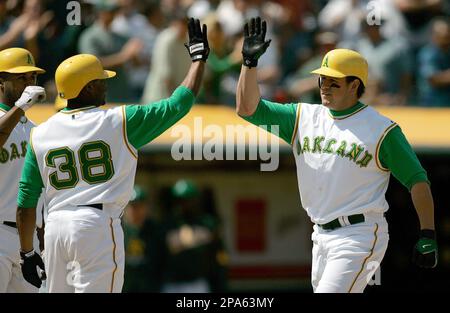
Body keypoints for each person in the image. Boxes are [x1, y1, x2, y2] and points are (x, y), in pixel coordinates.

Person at [236, 17, 437, 293]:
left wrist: (428, 232)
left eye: (334, 82)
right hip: (320, 235)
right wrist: (249, 65)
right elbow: (247, 109)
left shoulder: (381, 129)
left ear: (354, 86)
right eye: (322, 80)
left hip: (359, 233)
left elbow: (418, 181)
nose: (324, 87)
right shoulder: (303, 116)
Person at [15, 17, 209, 293]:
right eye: (100, 81)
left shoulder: (41, 132)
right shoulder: (120, 120)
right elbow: (179, 103)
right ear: (88, 88)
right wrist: (198, 60)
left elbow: (25, 201)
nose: (106, 85)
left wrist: (27, 253)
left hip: (56, 228)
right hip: (96, 225)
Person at [0, 47, 46, 292]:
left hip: (28, 240)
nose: (29, 84)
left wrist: (42, 241)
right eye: (21, 78)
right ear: (1, 81)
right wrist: (20, 107)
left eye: (33, 77)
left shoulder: (36, 130)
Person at [154, 180, 227, 293]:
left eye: (189, 200)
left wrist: (220, 279)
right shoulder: (166, 225)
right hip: (172, 284)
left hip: (197, 282)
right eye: (181, 200)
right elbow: (157, 258)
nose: (185, 204)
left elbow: (219, 254)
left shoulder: (207, 223)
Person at [122, 185, 160, 292]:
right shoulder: (117, 230)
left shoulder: (155, 230)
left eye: (140, 206)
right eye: (133, 206)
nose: (137, 211)